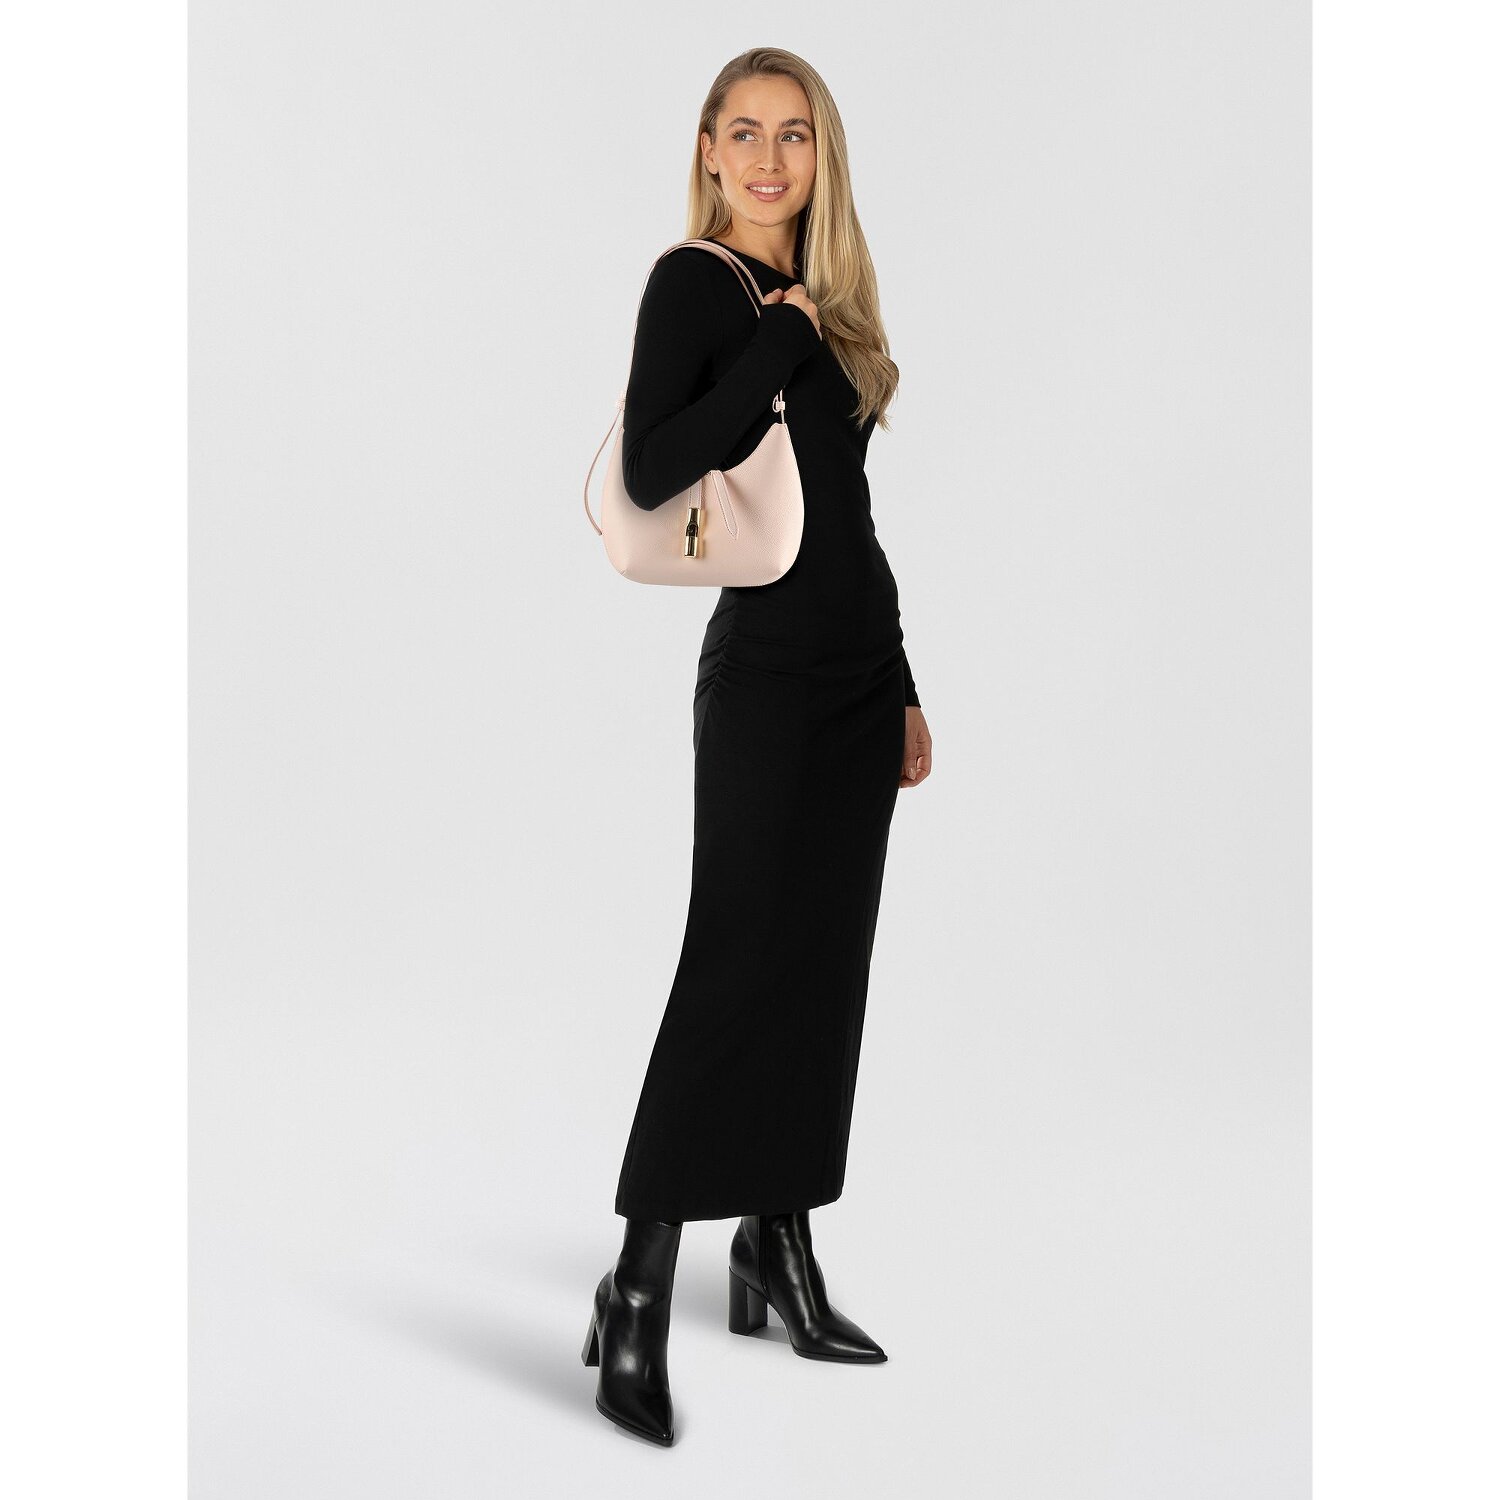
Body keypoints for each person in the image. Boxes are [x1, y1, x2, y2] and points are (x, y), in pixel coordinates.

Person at [581, 47, 933, 1446]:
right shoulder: (697, 285)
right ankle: (635, 1289)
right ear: (710, 151)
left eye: (795, 135)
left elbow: (848, 519)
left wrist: (902, 683)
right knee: (732, 969)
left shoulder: (828, 309)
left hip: (853, 683)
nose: (770, 159)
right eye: (745, 133)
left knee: (821, 969)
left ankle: (777, 1249)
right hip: (768, 679)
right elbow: (652, 466)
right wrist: (777, 351)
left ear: (819, 156)